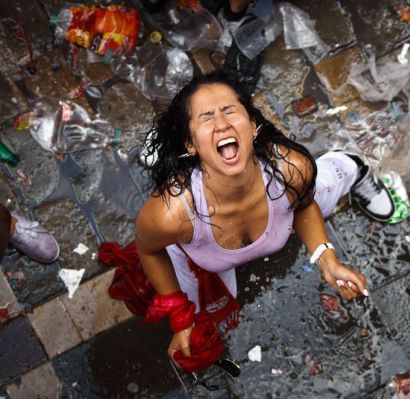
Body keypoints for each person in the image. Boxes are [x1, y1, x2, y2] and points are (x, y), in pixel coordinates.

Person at [135, 71, 395, 370]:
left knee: (327, 182)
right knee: (200, 312)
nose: (221, 123)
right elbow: (148, 250)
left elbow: (304, 203)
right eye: (206, 117)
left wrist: (326, 257)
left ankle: (354, 167)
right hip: (201, 250)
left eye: (230, 111)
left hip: (292, 201)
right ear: (191, 145)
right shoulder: (171, 214)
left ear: (253, 127)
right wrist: (180, 319)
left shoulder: (291, 169)